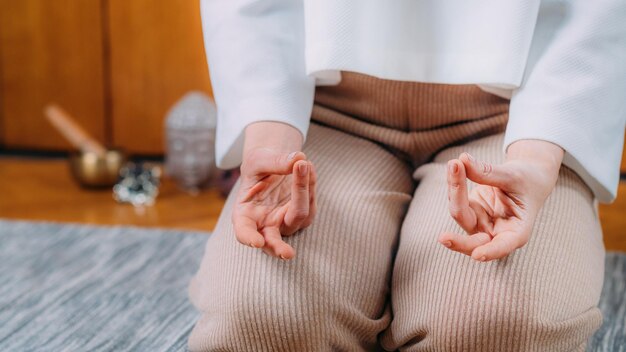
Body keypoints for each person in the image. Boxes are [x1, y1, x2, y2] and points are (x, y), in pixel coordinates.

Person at [187, 0, 626, 350]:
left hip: (519, 114)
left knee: (494, 327)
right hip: (316, 109)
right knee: (258, 320)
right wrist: (271, 135)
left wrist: (537, 156)